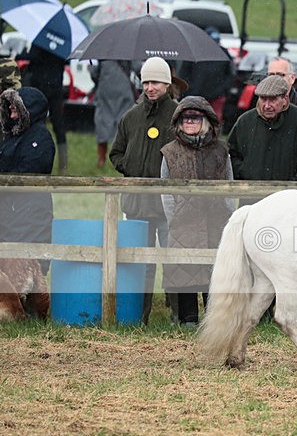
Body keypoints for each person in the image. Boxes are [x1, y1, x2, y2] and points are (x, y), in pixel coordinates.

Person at [227, 74, 297, 328]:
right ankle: (252, 318)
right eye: (262, 99)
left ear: (285, 99)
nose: (267, 105)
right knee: (254, 264)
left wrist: (291, 190)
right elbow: (231, 155)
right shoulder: (245, 122)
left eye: (273, 99)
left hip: (293, 210)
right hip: (254, 205)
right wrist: (247, 173)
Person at [110, 56, 179, 324]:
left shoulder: (177, 116)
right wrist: (129, 166)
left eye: (157, 82)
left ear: (167, 83)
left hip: (166, 205)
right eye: (147, 82)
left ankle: (177, 313)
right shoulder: (131, 117)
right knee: (140, 263)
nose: (151, 88)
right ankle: (140, 315)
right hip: (137, 204)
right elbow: (115, 153)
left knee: (172, 261)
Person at [160, 96, 233, 326]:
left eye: (195, 117)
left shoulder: (221, 151)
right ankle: (187, 321)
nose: (190, 122)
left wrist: (227, 217)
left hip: (216, 221)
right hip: (183, 224)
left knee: (215, 275)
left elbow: (231, 187)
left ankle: (214, 323)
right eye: (185, 118)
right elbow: (165, 192)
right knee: (185, 273)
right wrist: (176, 219)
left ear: (207, 120)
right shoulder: (169, 152)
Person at [0, 87, 55, 275]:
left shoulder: (41, 138)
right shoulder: (11, 136)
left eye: (15, 104)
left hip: (29, 214)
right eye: (9, 104)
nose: (10, 108)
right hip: (9, 212)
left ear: (27, 109)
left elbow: (28, 173)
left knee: (27, 269)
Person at [19, 45, 67, 173]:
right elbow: (66, 60)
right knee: (59, 125)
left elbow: (33, 56)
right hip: (56, 86)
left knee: (38, 126)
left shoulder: (40, 40)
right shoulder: (63, 43)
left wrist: (21, 54)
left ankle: (38, 154)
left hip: (40, 86)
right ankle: (63, 164)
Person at [176, 27, 235, 122]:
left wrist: (221, 91)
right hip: (194, 97)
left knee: (213, 124)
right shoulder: (193, 51)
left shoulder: (224, 53)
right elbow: (184, 73)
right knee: (192, 122)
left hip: (216, 98)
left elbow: (231, 75)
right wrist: (191, 89)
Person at [89, 60, 136, 167]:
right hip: (124, 91)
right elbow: (138, 68)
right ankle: (125, 157)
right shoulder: (128, 50)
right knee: (125, 126)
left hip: (105, 92)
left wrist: (91, 69)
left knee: (102, 123)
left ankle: (101, 159)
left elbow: (95, 75)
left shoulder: (103, 53)